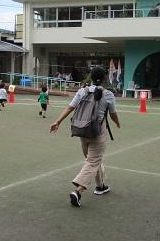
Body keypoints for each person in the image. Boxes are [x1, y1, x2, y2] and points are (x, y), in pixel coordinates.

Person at [50, 66, 121, 207]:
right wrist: (117, 123)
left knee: (93, 160)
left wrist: (57, 121)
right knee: (93, 161)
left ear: (91, 77)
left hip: (82, 129)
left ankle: (101, 186)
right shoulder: (108, 94)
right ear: (105, 78)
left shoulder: (82, 90)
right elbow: (112, 114)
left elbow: (70, 107)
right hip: (97, 131)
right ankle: (78, 191)